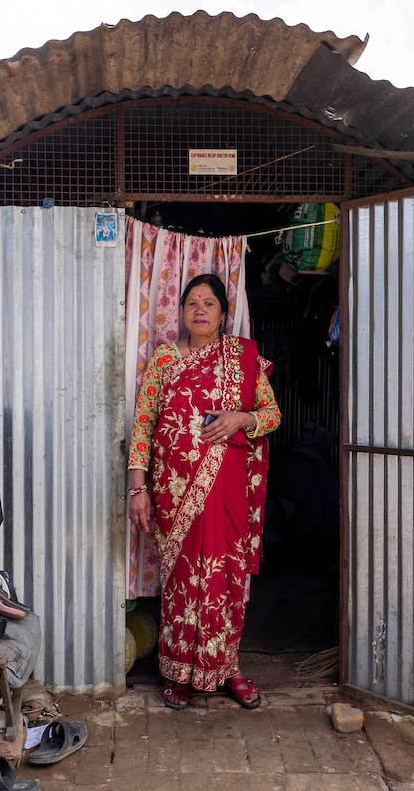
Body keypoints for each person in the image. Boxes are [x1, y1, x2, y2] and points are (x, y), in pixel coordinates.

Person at [127, 274, 281, 710]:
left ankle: (225, 667)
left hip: (228, 489)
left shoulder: (241, 358)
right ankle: (176, 671)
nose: (199, 309)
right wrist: (137, 488)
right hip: (175, 494)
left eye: (209, 303)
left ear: (223, 315)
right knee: (182, 580)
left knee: (225, 577)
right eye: (191, 302)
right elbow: (143, 424)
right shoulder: (163, 360)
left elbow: (271, 415)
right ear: (180, 312)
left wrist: (240, 419)